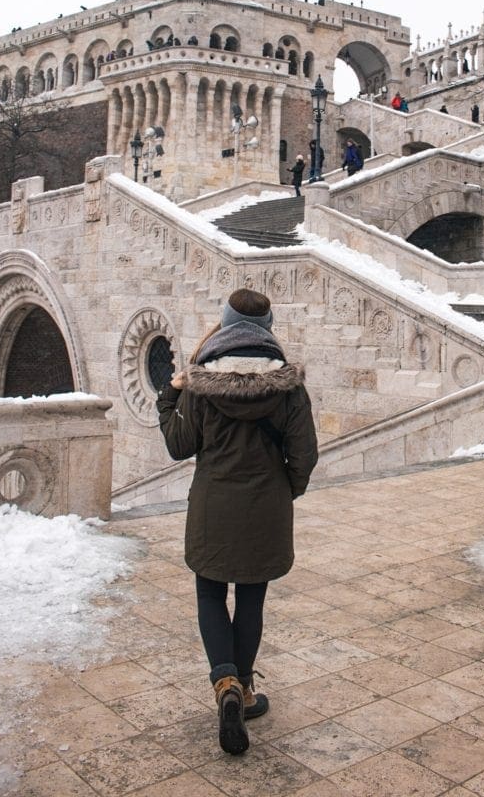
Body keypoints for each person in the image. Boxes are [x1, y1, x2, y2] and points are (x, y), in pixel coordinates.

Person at [157, 289, 319, 756]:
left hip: (212, 506)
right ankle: (243, 691)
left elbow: (178, 444)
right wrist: (285, 490)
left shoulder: (201, 382)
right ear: (268, 327)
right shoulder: (288, 387)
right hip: (266, 506)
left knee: (210, 591)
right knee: (252, 597)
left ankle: (224, 681)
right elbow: (304, 454)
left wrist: (171, 395)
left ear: (225, 326)